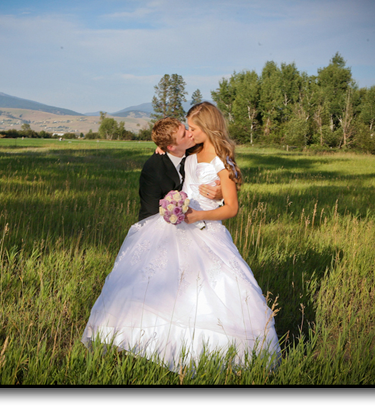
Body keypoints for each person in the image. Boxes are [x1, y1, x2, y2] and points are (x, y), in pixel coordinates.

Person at [81, 104, 281, 373]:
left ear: (208, 128)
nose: (189, 132)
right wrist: (163, 146)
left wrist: (202, 211)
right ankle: (145, 342)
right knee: (161, 284)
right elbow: (175, 154)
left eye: (193, 128)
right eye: (187, 128)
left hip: (206, 229)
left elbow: (232, 208)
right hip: (180, 229)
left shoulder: (222, 160)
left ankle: (214, 354)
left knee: (213, 290)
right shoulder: (191, 152)